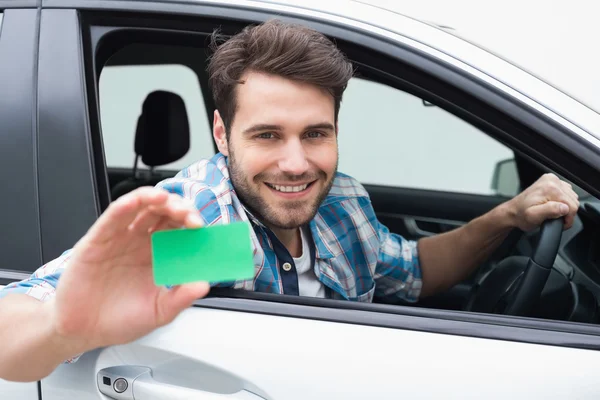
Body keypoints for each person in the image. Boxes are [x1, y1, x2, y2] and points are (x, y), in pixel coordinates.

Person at [0, 19, 579, 382]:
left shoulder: (340, 204)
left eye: (316, 133)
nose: (297, 163)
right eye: (267, 135)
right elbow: (14, 324)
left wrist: (507, 216)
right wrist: (61, 327)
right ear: (223, 135)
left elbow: (417, 271)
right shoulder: (208, 231)